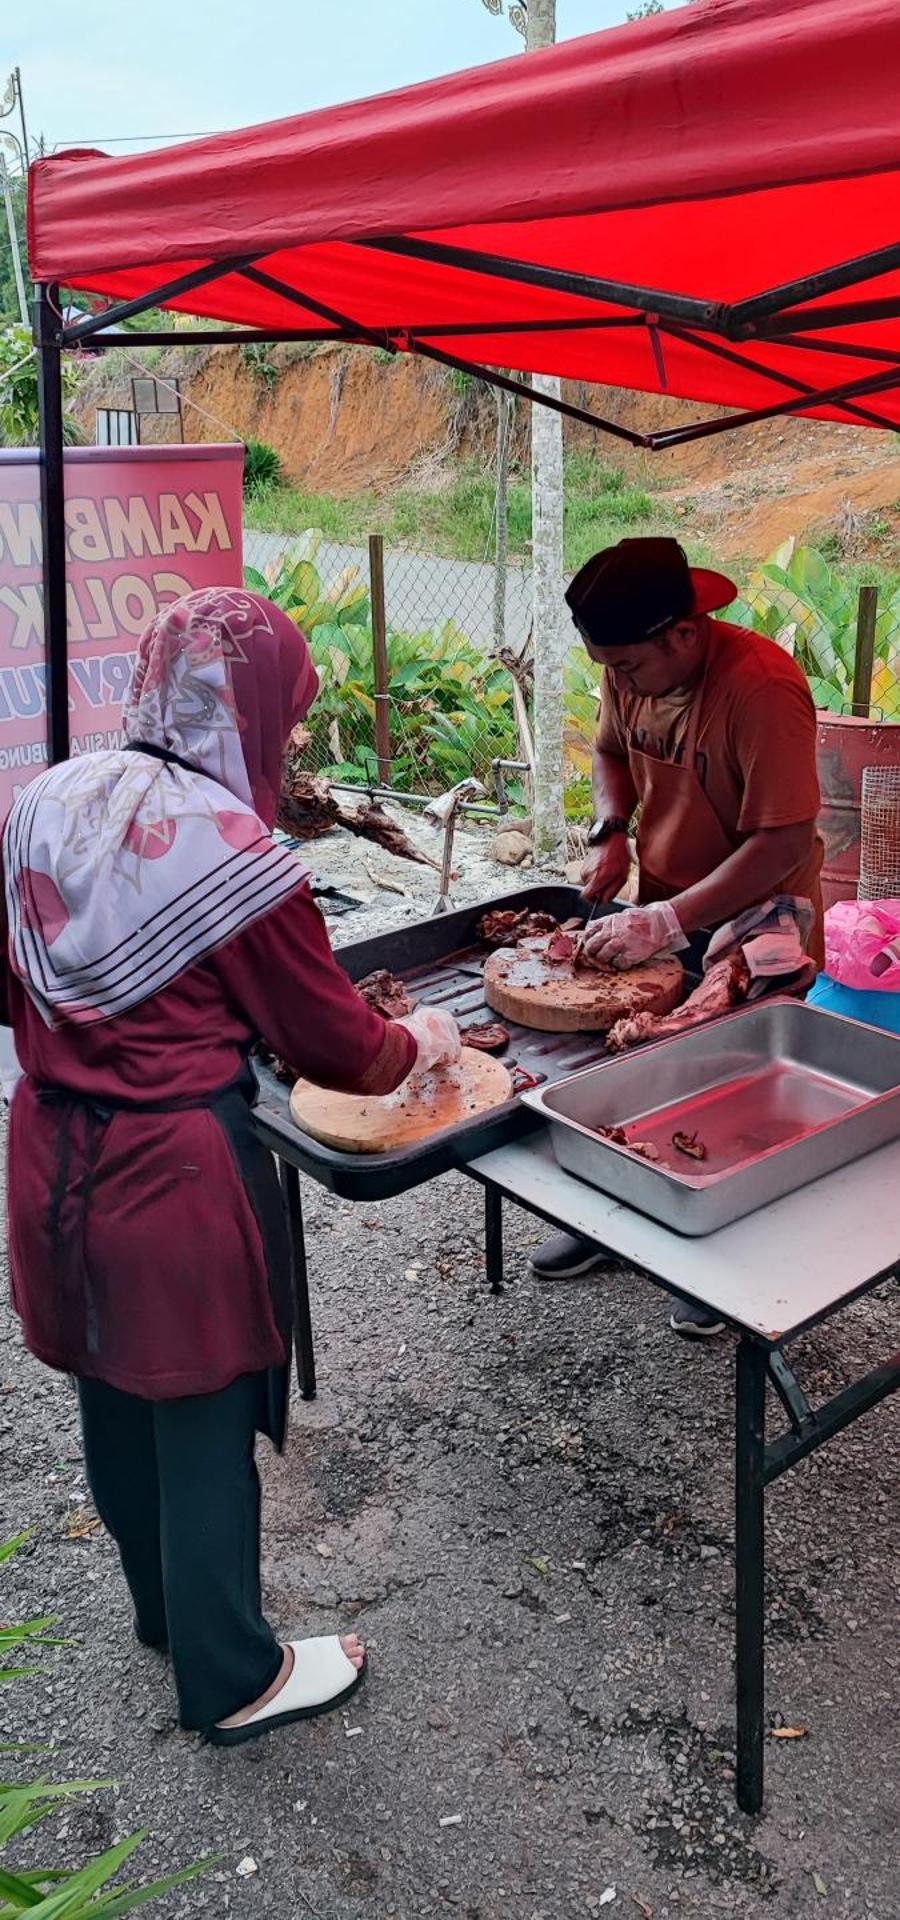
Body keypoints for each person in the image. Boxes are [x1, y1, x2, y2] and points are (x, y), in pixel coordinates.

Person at [1, 588, 460, 1745]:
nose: (293, 736)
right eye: (290, 714)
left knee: (110, 1392)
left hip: (51, 1153)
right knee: (200, 1422)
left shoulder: (44, 799)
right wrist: (429, 1042)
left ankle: (164, 1610)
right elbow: (340, 1049)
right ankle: (233, 1676)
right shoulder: (237, 856)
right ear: (244, 707)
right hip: (171, 1179)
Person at [530, 536, 823, 1333]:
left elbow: (785, 842)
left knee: (730, 1093)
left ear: (683, 635)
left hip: (763, 919)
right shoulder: (630, 667)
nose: (615, 680)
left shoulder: (761, 690)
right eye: (606, 666)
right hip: (666, 901)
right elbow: (607, 753)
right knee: (638, 1070)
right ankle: (611, 1225)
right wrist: (612, 830)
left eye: (625, 666)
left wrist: (667, 917)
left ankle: (719, 1268)